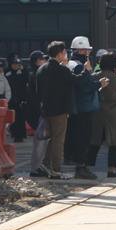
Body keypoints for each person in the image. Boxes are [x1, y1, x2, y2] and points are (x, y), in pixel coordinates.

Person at [32, 41, 75, 178]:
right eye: (64, 52)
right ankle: (55, 170)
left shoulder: (41, 69)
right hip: (60, 110)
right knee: (58, 140)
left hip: (45, 109)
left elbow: (37, 91)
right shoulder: (63, 70)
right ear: (60, 54)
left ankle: (45, 164)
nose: (66, 54)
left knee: (49, 139)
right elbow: (73, 84)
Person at [88, 53, 116, 178]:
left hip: (98, 114)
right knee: (115, 144)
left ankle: (87, 167)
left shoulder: (95, 77)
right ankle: (112, 170)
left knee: (95, 142)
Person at [67, 38, 101, 178]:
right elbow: (85, 86)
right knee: (84, 138)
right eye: (86, 50)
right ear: (79, 50)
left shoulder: (70, 63)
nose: (87, 52)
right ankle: (81, 167)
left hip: (76, 106)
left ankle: (79, 164)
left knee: (76, 137)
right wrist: (98, 84)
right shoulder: (79, 66)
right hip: (84, 106)